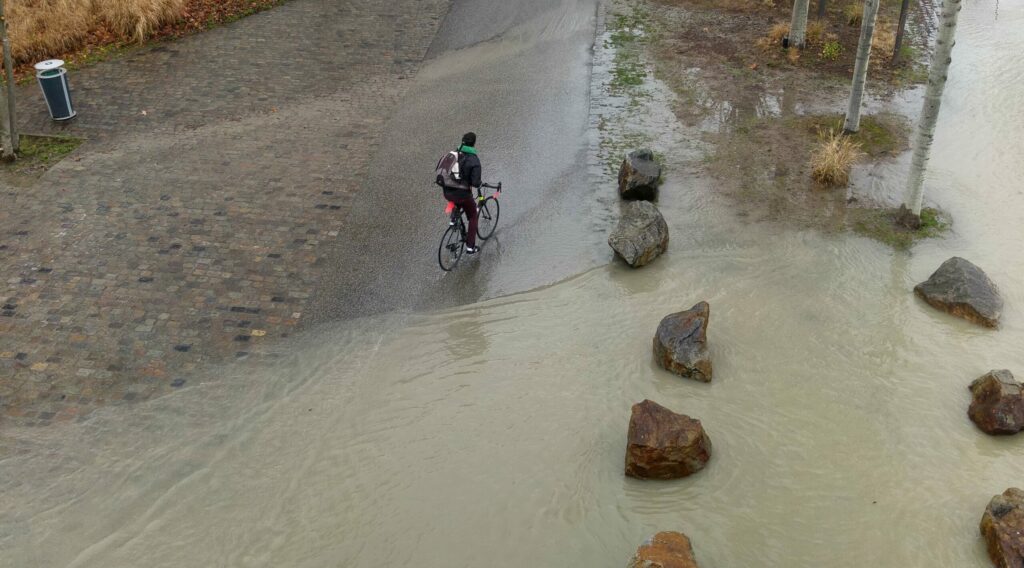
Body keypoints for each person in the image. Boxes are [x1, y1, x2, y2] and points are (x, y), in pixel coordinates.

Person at [444, 132, 482, 254]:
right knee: (472, 216)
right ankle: (470, 247)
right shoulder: (474, 160)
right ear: (474, 143)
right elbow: (475, 183)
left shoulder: (454, 154)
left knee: (457, 200)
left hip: (447, 191)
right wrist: (479, 183)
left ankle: (453, 219)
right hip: (462, 194)